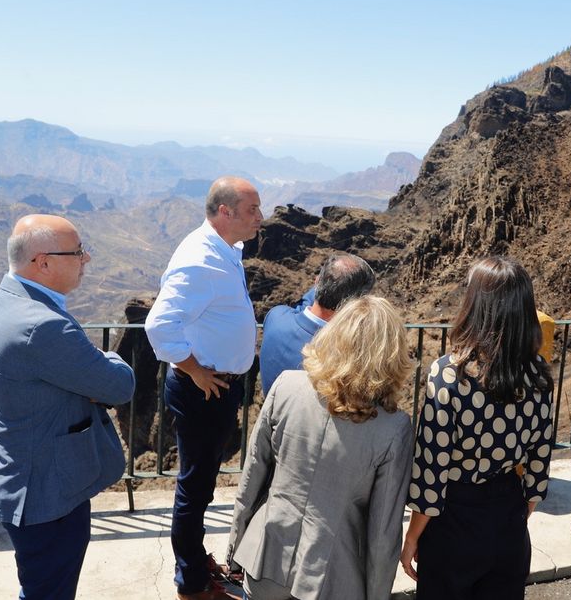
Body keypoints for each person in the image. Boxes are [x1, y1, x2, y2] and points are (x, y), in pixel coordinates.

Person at [0, 214, 135, 600]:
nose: (87, 260)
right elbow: (119, 385)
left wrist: (86, 365)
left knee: (41, 587)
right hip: (46, 493)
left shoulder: (7, 299)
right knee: (49, 592)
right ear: (43, 262)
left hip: (25, 477)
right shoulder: (43, 326)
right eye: (78, 252)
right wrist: (103, 364)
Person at [227, 296, 414, 599]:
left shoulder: (286, 386)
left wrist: (236, 548)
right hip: (333, 581)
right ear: (390, 356)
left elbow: (252, 477)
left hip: (264, 562)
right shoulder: (393, 429)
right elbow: (382, 534)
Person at [401, 256, 555, 600]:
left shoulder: (448, 374)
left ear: (476, 305)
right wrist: (516, 515)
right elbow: (539, 460)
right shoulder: (538, 373)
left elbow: (432, 470)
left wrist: (412, 538)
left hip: (452, 523)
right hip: (508, 520)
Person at [146, 177, 263, 600]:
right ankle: (192, 584)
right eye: (252, 209)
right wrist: (195, 370)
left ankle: (193, 560)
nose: (261, 218)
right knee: (194, 491)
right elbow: (159, 324)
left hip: (217, 389)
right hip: (203, 391)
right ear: (224, 212)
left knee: (202, 485)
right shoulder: (200, 259)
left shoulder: (226, 249)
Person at [258, 252, 375, 394]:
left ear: (316, 281)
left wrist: (325, 284)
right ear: (354, 303)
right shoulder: (343, 353)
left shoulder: (276, 317)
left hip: (272, 413)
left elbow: (307, 303)